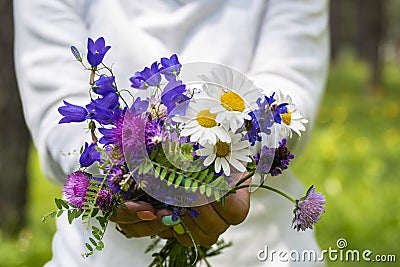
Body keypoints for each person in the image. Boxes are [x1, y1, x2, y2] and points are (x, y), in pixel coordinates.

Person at [13, 0, 329, 266]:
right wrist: (122, 176)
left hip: (264, 252)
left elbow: (289, 83)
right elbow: (55, 109)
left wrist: (232, 147)